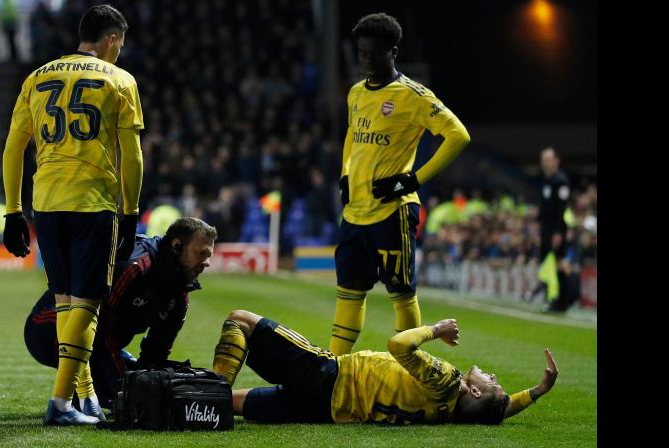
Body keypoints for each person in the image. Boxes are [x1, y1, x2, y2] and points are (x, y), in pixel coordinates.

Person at [1, 4, 145, 425]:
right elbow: (131, 154)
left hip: (46, 201)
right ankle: (61, 404)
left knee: (66, 302)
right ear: (112, 39)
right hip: (92, 201)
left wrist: (13, 210)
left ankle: (85, 398)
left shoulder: (37, 76)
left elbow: (13, 147)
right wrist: (132, 209)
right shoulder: (120, 80)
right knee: (88, 302)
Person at [330, 13, 471, 355]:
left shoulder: (413, 96)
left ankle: (409, 370)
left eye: (374, 53)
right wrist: (346, 174)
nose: (366, 60)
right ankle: (331, 369)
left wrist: (413, 178)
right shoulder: (356, 93)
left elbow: (458, 135)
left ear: (393, 52)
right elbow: (352, 134)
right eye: (361, 52)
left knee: (401, 292)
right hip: (355, 213)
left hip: (393, 211)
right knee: (349, 290)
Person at [213, 311, 557, 425]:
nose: (494, 377)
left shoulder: (450, 382)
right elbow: (496, 410)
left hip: (328, 376)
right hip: (326, 411)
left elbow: (399, 345)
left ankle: (209, 390)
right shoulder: (454, 412)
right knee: (228, 407)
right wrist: (537, 391)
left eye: (493, 382)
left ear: (476, 390)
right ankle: (201, 402)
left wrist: (435, 330)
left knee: (239, 319)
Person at [24, 217, 217, 415]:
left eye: (209, 255)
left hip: (101, 343)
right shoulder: (135, 268)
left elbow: (157, 351)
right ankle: (75, 397)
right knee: (123, 393)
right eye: (201, 253)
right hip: (46, 327)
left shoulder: (180, 293)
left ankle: (88, 393)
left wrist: (149, 385)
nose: (207, 263)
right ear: (177, 245)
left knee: (143, 388)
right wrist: (127, 392)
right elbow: (101, 331)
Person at [537, 147, 571, 312]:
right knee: (546, 264)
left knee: (558, 264)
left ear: (557, 160)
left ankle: (563, 301)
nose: (545, 162)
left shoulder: (561, 181)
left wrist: (558, 232)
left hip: (557, 228)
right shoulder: (546, 180)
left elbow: (561, 208)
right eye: (543, 159)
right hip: (546, 228)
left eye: (548, 159)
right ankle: (551, 298)